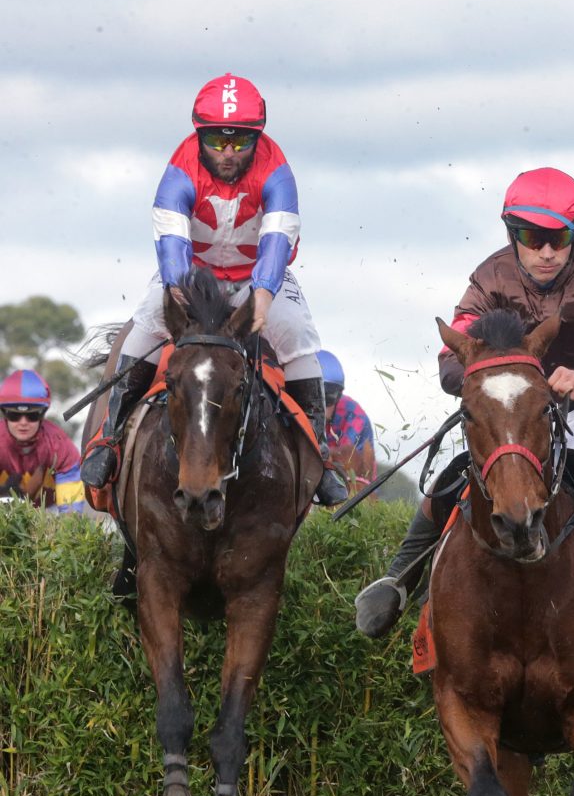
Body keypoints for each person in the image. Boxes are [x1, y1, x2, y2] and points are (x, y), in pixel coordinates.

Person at [355, 166, 574, 645]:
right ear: (513, 233)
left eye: (559, 238)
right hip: (514, 402)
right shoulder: (489, 279)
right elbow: (451, 364)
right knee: (465, 466)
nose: (546, 251)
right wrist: (495, 374)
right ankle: (398, 578)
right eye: (532, 237)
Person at [80, 72, 347, 506]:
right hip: (195, 273)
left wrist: (263, 294)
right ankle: (109, 441)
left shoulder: (277, 172)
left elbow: (278, 239)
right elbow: (172, 248)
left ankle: (322, 455)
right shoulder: (177, 173)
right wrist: (180, 298)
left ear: (256, 139)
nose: (227, 152)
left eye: (240, 142)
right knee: (147, 326)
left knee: (298, 337)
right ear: (199, 135)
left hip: (255, 273)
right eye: (217, 141)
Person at [0, 369, 86, 514]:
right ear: (4, 414)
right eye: (14, 415)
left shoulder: (61, 447)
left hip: (48, 512)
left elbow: (71, 512)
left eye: (32, 415)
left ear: (42, 415)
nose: (23, 423)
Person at [318, 350, 378, 493]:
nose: (324, 406)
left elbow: (344, 459)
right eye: (320, 397)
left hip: (353, 484)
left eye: (330, 397)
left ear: (339, 395)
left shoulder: (355, 416)